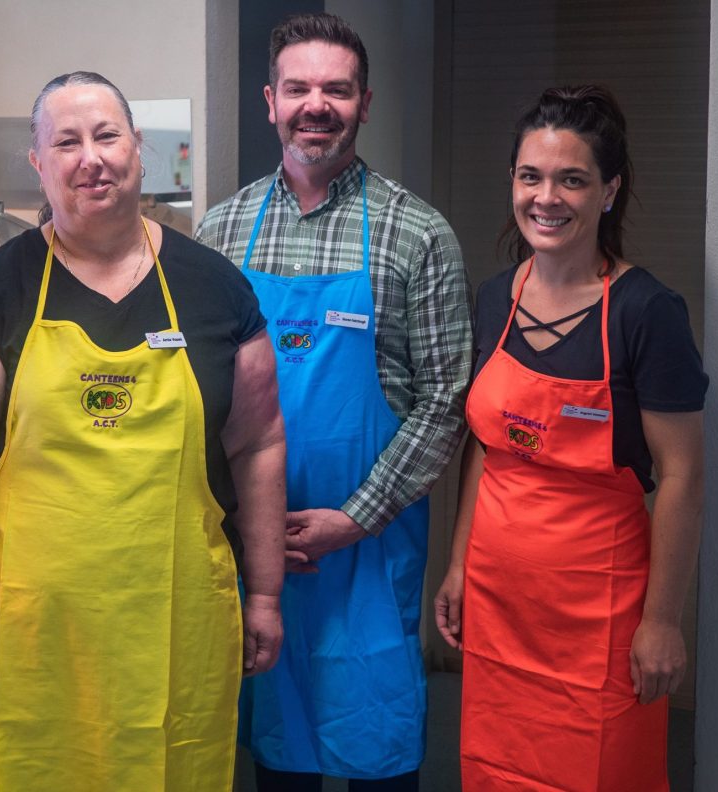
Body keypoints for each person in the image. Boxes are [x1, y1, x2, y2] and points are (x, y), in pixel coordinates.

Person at [0, 71, 287, 792]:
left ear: (139, 148)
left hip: (177, 632)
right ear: (39, 166)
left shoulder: (214, 288)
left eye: (107, 135)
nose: (91, 157)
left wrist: (263, 593)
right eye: (66, 142)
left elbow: (258, 443)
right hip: (32, 645)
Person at [196, 13, 472, 791]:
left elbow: (445, 399)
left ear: (364, 103)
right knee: (277, 760)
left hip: (369, 553)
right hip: (260, 550)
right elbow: (201, 394)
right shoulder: (222, 233)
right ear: (270, 101)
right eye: (299, 88)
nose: (317, 105)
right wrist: (241, 520)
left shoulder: (416, 234)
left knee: (378, 750)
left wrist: (355, 518)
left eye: (337, 90)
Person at [433, 85, 707, 790]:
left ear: (609, 191)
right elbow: (484, 452)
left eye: (572, 179)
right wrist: (461, 564)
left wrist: (664, 621)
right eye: (530, 176)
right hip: (499, 602)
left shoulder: (646, 313)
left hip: (601, 617)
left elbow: (682, 477)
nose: (546, 197)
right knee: (496, 770)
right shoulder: (496, 296)